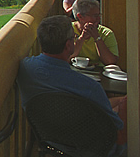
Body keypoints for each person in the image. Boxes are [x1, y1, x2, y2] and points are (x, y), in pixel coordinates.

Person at [17, 15, 127, 155]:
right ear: (68, 45)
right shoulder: (89, 87)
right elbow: (119, 137)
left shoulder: (25, 68)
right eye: (73, 38)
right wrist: (125, 109)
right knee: (125, 104)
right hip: (93, 149)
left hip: (51, 143)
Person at [71, 0, 118, 66]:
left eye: (99, 15)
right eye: (95, 16)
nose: (98, 19)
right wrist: (82, 38)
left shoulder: (106, 33)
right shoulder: (68, 30)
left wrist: (97, 38)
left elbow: (110, 62)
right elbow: (65, 58)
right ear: (80, 16)